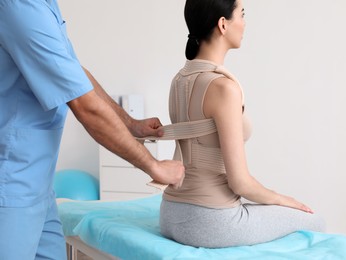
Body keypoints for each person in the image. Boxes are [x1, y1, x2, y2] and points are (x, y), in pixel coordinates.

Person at [0, 0, 184, 259]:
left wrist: (129, 123)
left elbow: (75, 74)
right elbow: (84, 106)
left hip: (38, 185)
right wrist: (153, 165)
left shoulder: (44, 5)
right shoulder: (19, 6)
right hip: (11, 187)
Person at [159, 0, 326, 248]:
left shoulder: (179, 79)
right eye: (242, 14)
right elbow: (240, 183)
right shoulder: (223, 88)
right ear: (223, 24)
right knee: (316, 222)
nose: (245, 23)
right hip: (210, 221)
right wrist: (283, 200)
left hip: (170, 213)